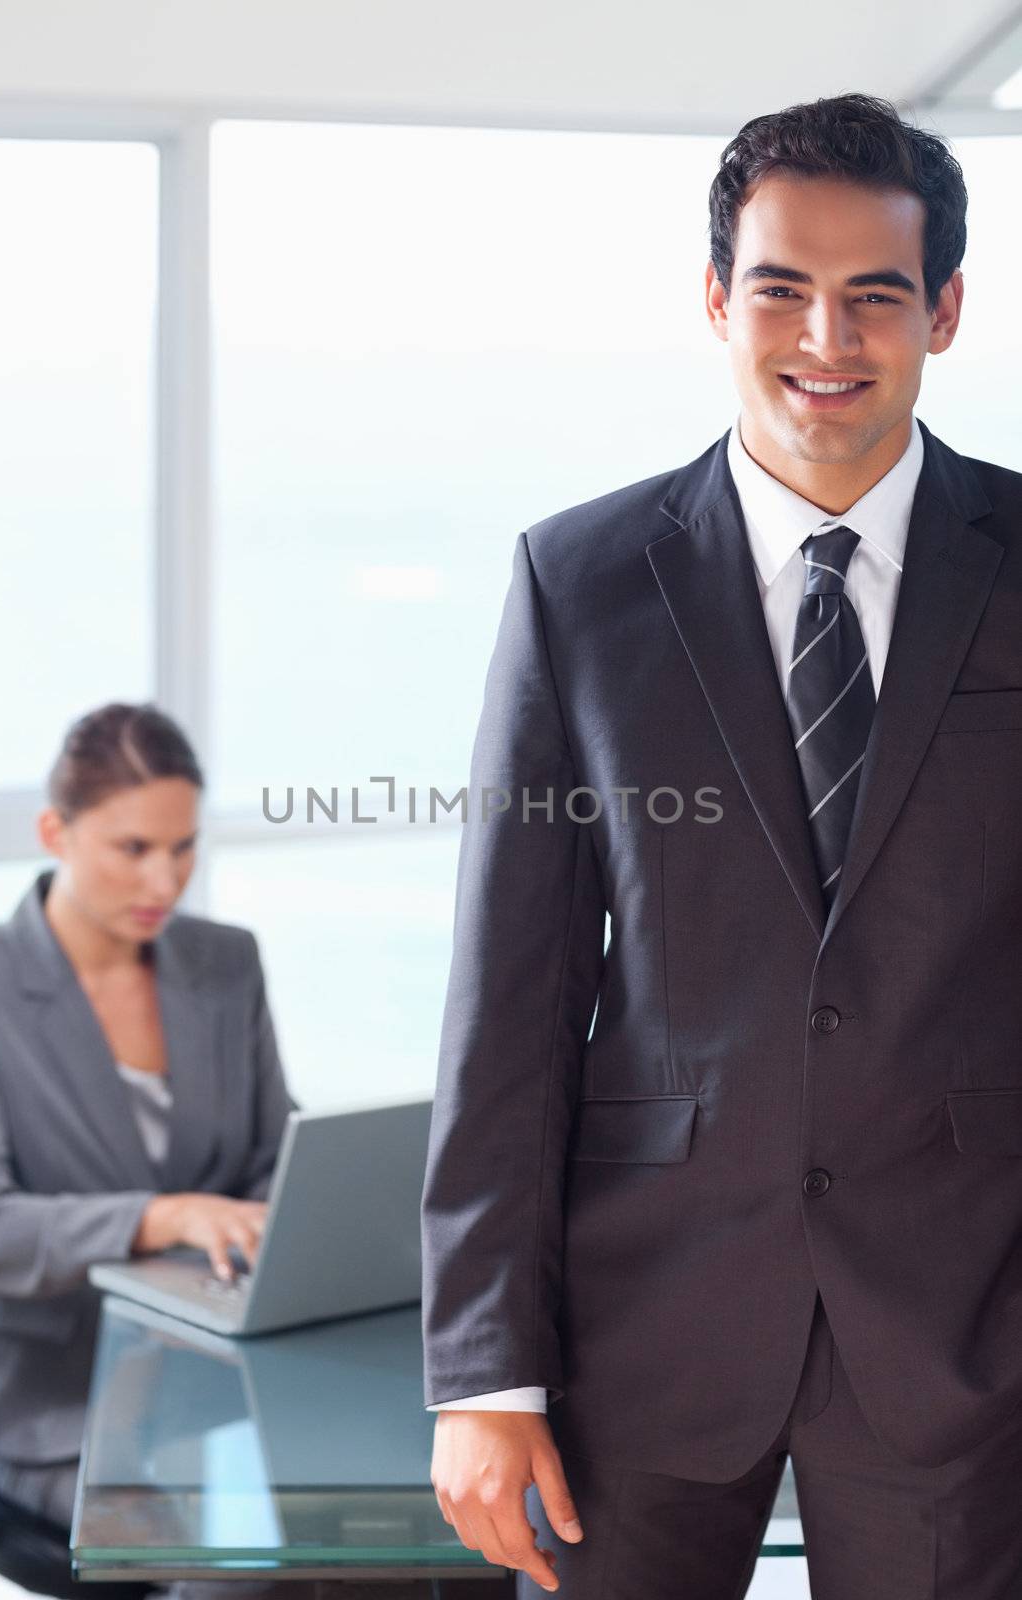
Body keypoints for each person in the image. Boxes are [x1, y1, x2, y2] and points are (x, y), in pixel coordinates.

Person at [420, 91, 1022, 1599]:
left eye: (873, 295)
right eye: (779, 288)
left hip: (965, 1332)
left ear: (941, 312)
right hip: (640, 1324)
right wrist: (483, 1371)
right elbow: (509, 991)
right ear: (714, 299)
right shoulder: (576, 583)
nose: (824, 335)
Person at [0, 701, 297, 1547]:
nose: (164, 883)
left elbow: (272, 1161)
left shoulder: (226, 962)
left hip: (228, 1383)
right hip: (62, 1410)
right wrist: (163, 1216)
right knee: (231, 1565)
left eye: (182, 848)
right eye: (132, 849)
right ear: (54, 831)